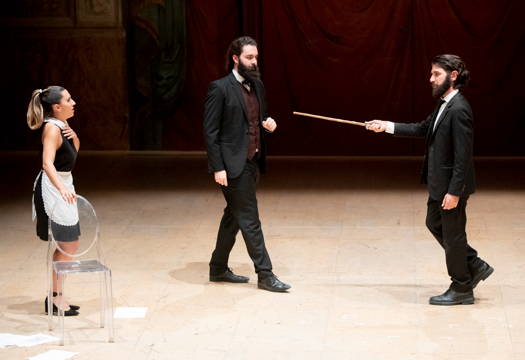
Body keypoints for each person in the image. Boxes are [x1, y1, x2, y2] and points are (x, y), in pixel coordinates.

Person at [365, 54, 493, 305]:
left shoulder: (459, 109)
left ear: (453, 76)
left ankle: (462, 287)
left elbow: (463, 157)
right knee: (434, 222)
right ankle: (474, 264)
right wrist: (386, 125)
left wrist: (455, 192)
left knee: (453, 235)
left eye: (436, 74)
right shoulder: (444, 104)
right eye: (431, 73)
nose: (430, 78)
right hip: (439, 184)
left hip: (450, 186)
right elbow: (422, 129)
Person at [203, 36, 291, 292]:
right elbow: (210, 132)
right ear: (235, 58)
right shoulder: (219, 88)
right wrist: (218, 167)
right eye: (248, 57)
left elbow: (257, 119)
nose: (253, 62)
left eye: (256, 57)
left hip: (251, 161)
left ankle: (217, 268)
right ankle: (265, 273)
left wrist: (268, 124)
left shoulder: (258, 86)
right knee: (249, 218)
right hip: (230, 165)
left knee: (234, 215)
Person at [27, 86, 81, 315]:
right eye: (69, 99)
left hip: (64, 183)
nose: (74, 102)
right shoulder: (51, 128)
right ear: (57, 107)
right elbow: (47, 163)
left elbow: (72, 155)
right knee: (67, 244)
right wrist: (61, 190)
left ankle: (56, 296)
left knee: (70, 243)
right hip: (53, 188)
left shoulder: (62, 126)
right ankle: (55, 299)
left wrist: (75, 136)